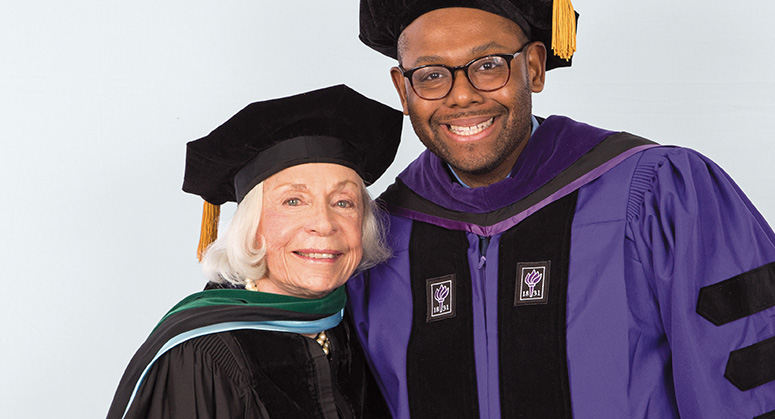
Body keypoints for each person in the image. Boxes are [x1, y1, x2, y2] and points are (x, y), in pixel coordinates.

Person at [346, 1, 775, 418]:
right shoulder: (377, 241)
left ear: (533, 67)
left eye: (489, 65)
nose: (461, 96)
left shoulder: (660, 195)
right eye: (432, 74)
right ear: (404, 90)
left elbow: (750, 380)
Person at [107, 85, 401, 419]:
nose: (324, 223)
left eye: (343, 202)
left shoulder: (356, 327)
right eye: (293, 201)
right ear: (252, 227)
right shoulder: (203, 354)